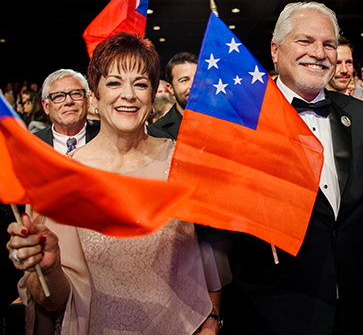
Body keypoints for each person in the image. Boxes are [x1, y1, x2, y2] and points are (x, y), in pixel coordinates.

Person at [222, 2, 363, 335]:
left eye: (328, 44)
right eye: (305, 41)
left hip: (361, 308)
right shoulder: (240, 119)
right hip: (272, 311)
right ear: (275, 50)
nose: (319, 53)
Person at [7, 33, 225, 334]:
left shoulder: (182, 161)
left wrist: (213, 319)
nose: (129, 95)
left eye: (141, 84)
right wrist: (50, 268)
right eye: (114, 83)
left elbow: (208, 252)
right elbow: (54, 300)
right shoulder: (63, 179)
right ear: (94, 96)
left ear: (153, 97)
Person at [35, 69, 100, 154]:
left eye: (76, 94)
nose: (69, 101)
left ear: (87, 101)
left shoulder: (108, 135)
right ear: (46, 106)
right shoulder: (33, 143)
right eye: (59, 96)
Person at [148, 52, 197, 140]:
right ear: (170, 88)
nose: (193, 85)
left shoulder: (220, 120)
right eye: (184, 80)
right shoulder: (156, 132)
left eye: (197, 79)